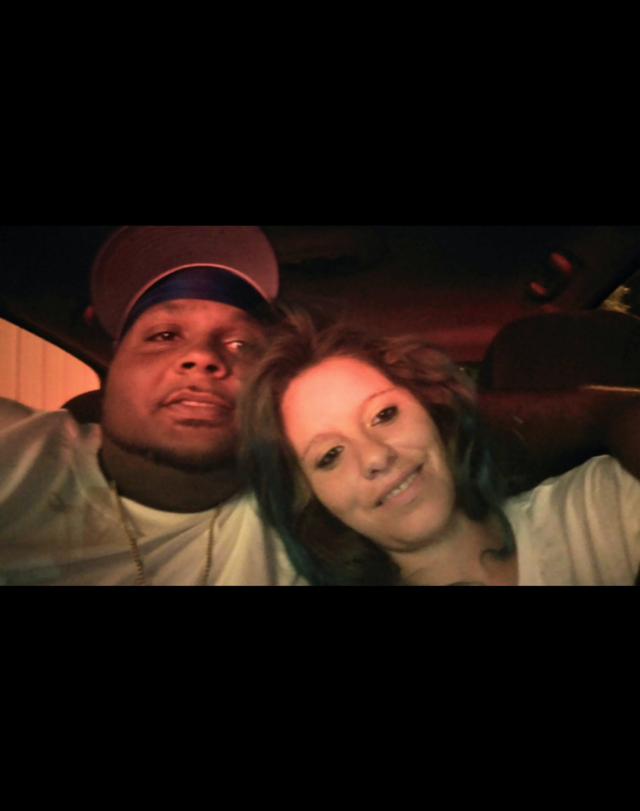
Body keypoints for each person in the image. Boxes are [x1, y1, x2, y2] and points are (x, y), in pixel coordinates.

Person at [239, 306, 640, 586]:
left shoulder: (600, 509)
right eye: (330, 456)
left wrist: (609, 412)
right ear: (311, 500)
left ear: (433, 411)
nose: (376, 456)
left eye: (385, 415)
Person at [0, 226, 302, 586]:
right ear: (114, 365)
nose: (202, 356)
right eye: (165, 336)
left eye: (240, 344)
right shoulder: (14, 451)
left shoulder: (319, 516)